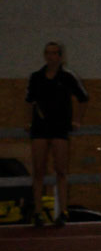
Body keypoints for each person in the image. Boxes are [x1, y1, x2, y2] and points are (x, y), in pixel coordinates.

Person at [25, 41, 88, 227]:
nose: (50, 56)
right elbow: (29, 101)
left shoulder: (68, 77)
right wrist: (29, 122)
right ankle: (37, 212)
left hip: (60, 127)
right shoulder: (36, 77)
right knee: (38, 171)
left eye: (53, 53)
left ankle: (63, 211)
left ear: (60, 56)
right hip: (40, 127)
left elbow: (83, 99)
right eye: (47, 53)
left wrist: (77, 120)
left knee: (61, 170)